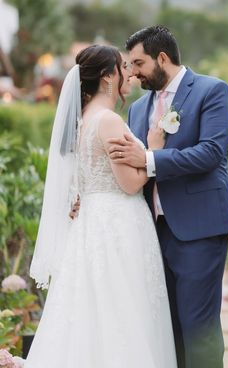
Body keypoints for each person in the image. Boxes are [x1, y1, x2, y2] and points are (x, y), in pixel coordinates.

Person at [27, 45, 177, 367]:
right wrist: (151, 150)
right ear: (109, 76)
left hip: (91, 223)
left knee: (92, 311)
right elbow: (129, 184)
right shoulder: (108, 120)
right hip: (118, 224)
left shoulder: (83, 120)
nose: (130, 75)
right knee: (123, 311)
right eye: (124, 67)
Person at [103, 26, 228, 368]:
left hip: (199, 227)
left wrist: (149, 159)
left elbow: (211, 153)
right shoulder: (137, 110)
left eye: (138, 63)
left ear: (162, 57)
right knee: (167, 329)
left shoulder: (212, 91)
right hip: (150, 232)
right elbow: (128, 168)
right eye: (129, 65)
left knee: (198, 328)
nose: (132, 72)